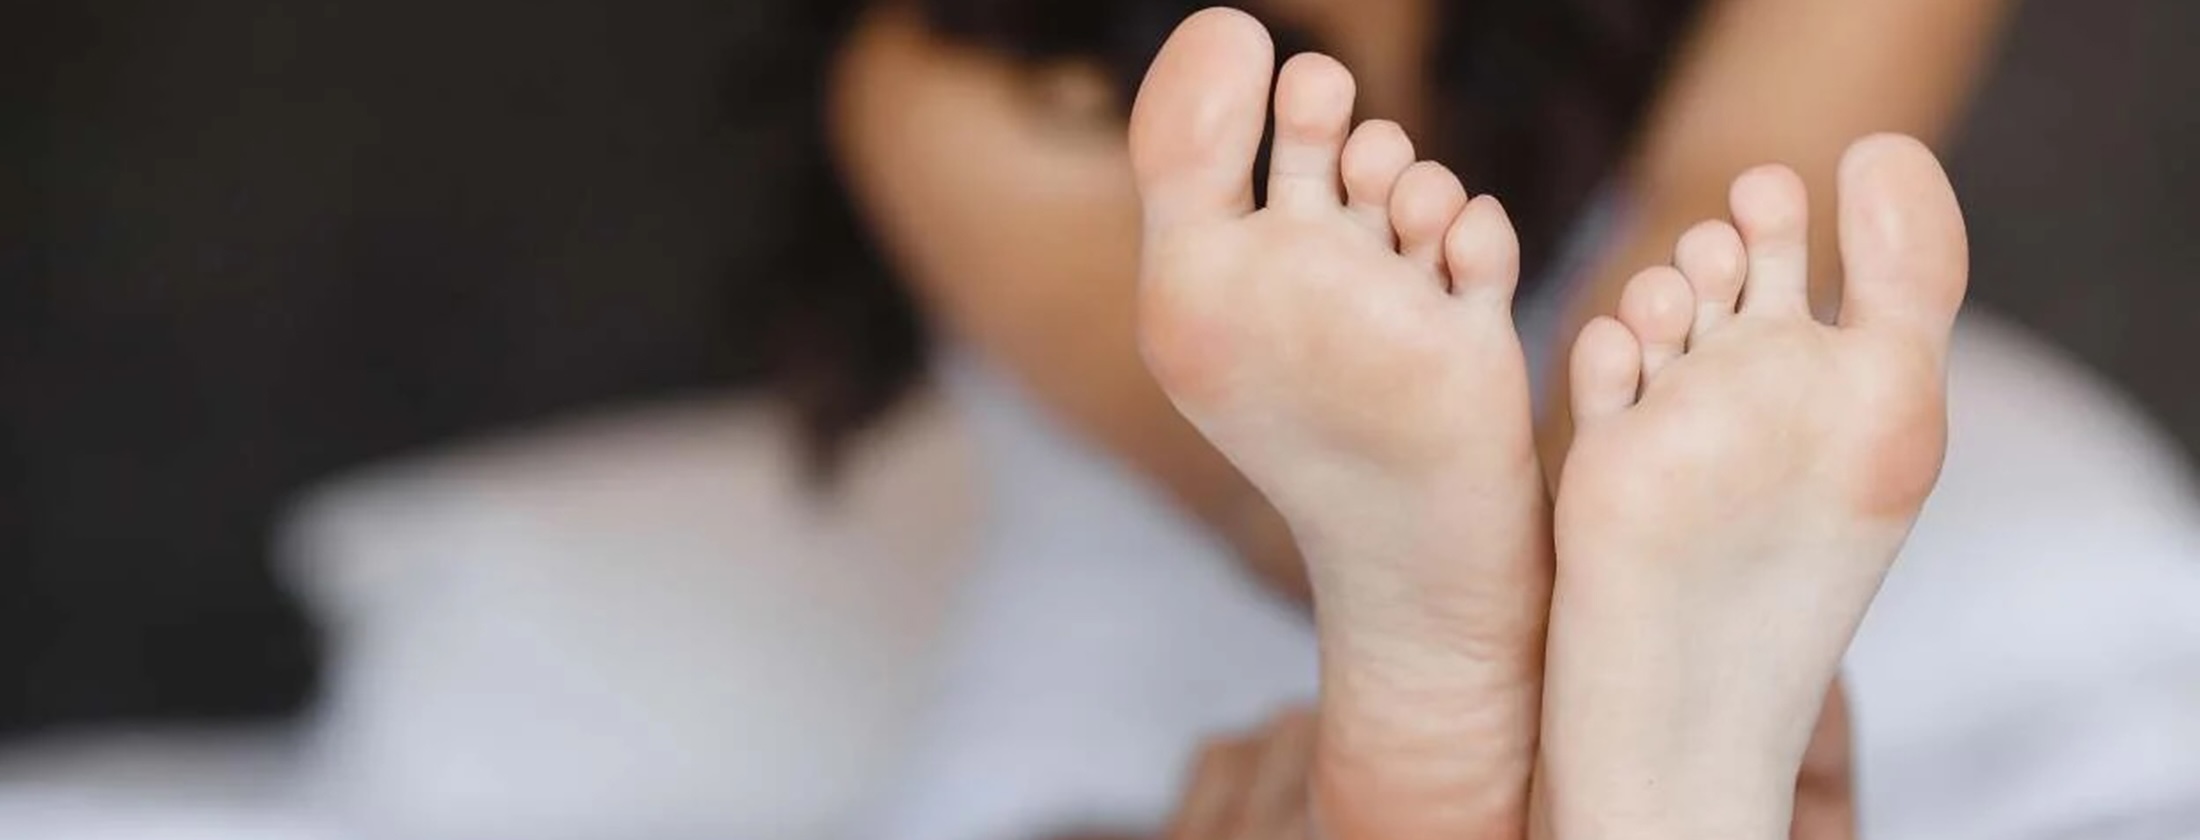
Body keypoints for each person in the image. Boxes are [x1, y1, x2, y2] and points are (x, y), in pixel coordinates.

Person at [230, 1, 2200, 839]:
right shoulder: (949, 68)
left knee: (1661, 427)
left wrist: (1586, 574)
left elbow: (1711, 250)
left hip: (1375, 700)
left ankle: (1464, 752)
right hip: (1131, 761)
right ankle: (1599, 772)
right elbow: (1249, 483)